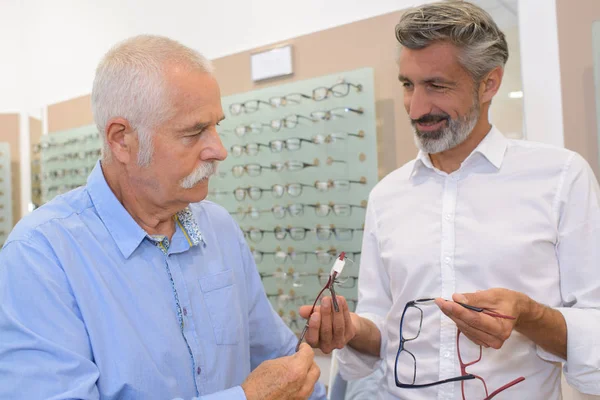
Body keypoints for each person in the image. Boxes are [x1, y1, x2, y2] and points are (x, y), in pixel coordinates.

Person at [298, 1, 600, 399]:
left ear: (489, 83)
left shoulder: (562, 178)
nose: (417, 108)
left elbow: (593, 329)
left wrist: (528, 315)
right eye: (408, 85)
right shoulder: (387, 196)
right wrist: (352, 329)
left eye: (436, 86)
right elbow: (383, 328)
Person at [0, 35, 325, 400]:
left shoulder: (219, 229)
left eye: (216, 126)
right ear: (122, 140)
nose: (219, 150)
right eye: (194, 132)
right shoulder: (41, 257)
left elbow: (283, 361)